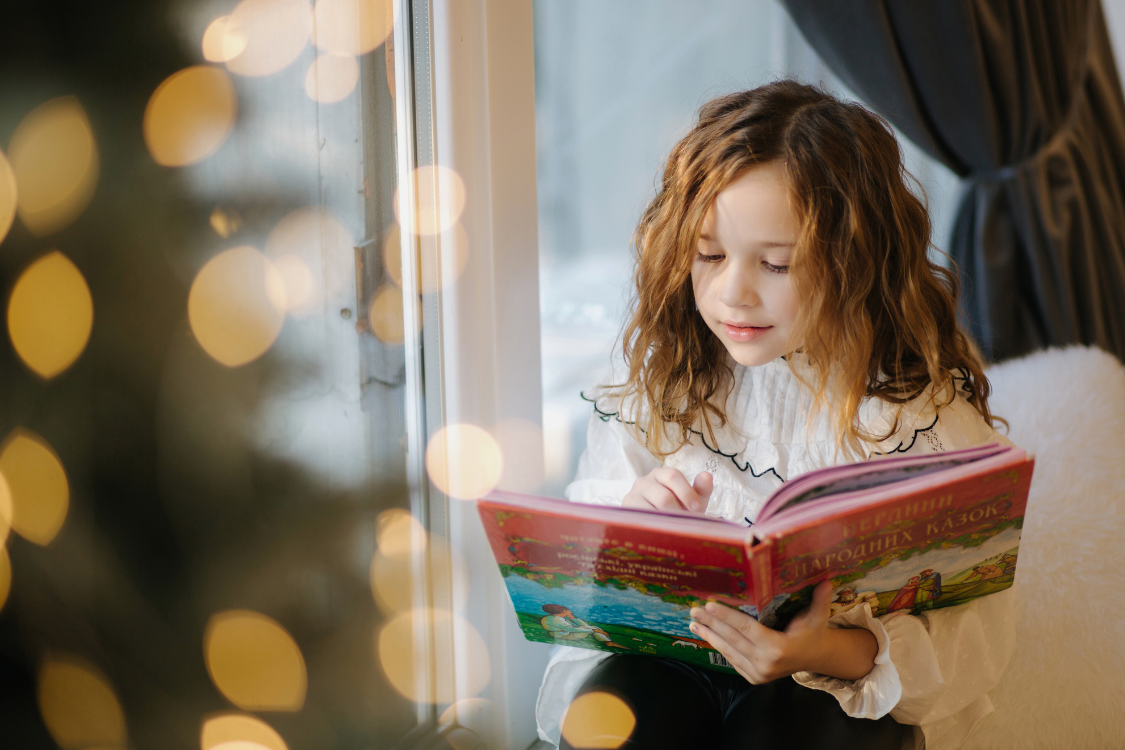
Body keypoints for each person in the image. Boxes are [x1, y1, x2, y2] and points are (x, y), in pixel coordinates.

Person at [535, 81, 1016, 750]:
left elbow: (973, 643)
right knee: (614, 719)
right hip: (678, 666)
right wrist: (636, 523)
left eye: (776, 263)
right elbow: (582, 595)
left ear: (855, 262)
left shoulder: (919, 422)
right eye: (707, 254)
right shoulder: (661, 378)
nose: (732, 290)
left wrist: (824, 651)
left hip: (828, 686)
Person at [540, 604, 631, 649]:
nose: (570, 611)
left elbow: (581, 626)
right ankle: (608, 642)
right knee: (594, 629)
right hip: (564, 635)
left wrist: (572, 618)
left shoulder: (554, 617)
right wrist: (596, 631)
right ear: (563, 611)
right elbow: (574, 629)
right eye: (567, 610)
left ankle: (608, 641)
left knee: (593, 628)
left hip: (563, 632)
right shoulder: (557, 619)